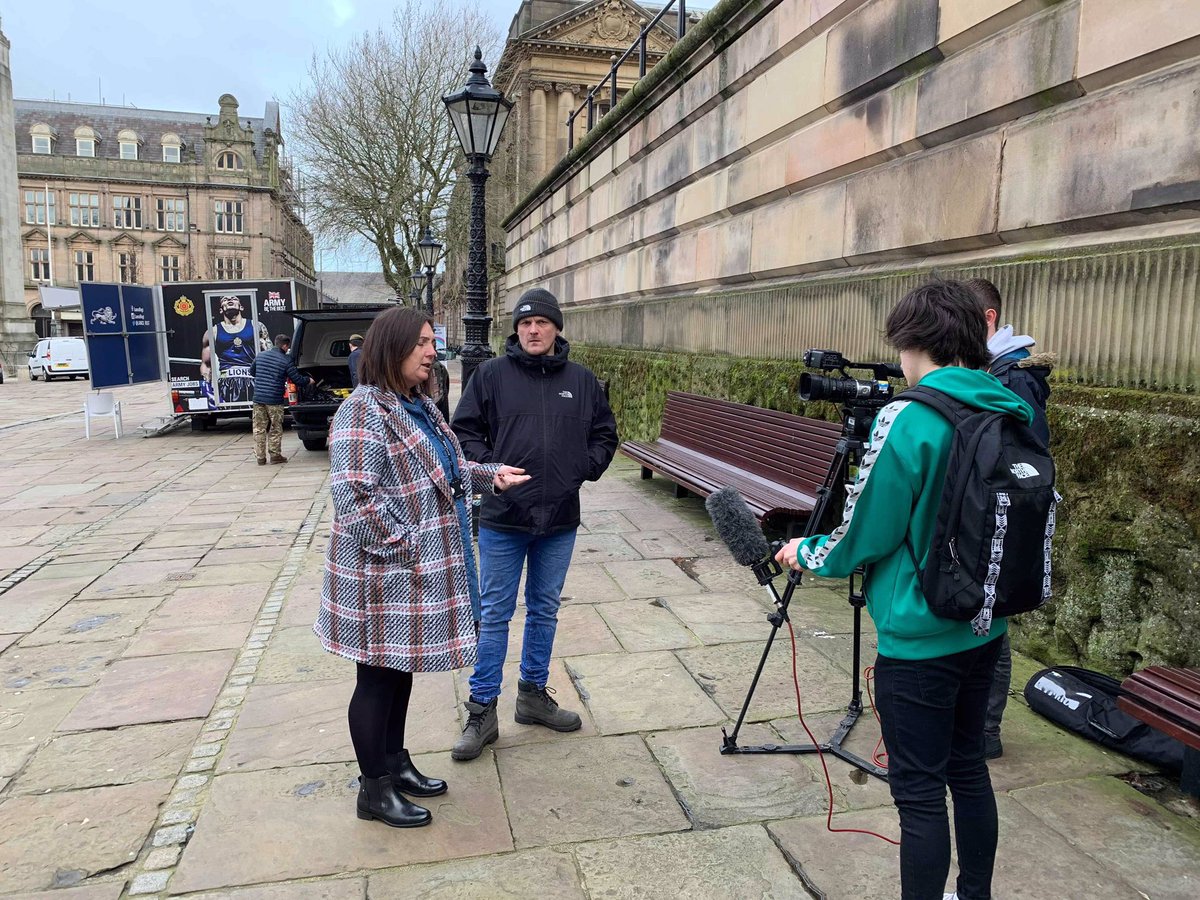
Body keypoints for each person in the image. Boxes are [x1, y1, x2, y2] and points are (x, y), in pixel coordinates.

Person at [775, 279, 1035, 900]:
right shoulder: (1007, 406)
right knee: (968, 771)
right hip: (985, 626)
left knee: (918, 796)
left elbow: (867, 530)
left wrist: (805, 551)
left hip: (918, 638)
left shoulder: (910, 417)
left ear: (911, 340)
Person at [313, 306, 530, 828]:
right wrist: (408, 548)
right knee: (376, 680)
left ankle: (394, 763)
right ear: (393, 348)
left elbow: (446, 471)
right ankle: (374, 790)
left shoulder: (418, 405)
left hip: (410, 574)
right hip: (381, 577)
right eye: (422, 343)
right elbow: (355, 498)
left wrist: (490, 476)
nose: (432, 352)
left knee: (399, 673)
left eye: (432, 342)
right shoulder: (363, 410)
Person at [449, 287, 618, 761]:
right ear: (516, 330)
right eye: (525, 323)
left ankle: (533, 695)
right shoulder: (490, 375)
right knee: (494, 614)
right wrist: (491, 471)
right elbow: (464, 433)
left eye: (542, 322)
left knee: (544, 609)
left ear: (556, 328)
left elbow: (605, 434)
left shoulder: (581, 381)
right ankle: (482, 709)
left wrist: (582, 468)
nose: (533, 330)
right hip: (504, 518)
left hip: (560, 517)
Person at [965, 278, 1054, 761]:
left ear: (988, 318)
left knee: (993, 623)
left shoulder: (1014, 375)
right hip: (986, 509)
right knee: (983, 620)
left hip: (1002, 512)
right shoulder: (990, 369)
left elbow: (1027, 454)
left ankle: (985, 732)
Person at [248, 334, 311, 465]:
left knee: (259, 428)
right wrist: (308, 380)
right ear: (285, 346)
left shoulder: (260, 356)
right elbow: (297, 379)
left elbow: (252, 372)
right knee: (275, 427)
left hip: (258, 398)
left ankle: (260, 457)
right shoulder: (286, 360)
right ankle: (275, 455)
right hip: (274, 400)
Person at [200, 295, 267, 404]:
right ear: (221, 310)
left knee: (258, 413)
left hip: (253, 380)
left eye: (234, 298)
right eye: (225, 299)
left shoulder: (256, 326)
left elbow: (269, 356)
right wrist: (206, 387)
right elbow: (206, 364)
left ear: (241, 307)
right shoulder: (213, 332)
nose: (230, 300)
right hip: (226, 384)